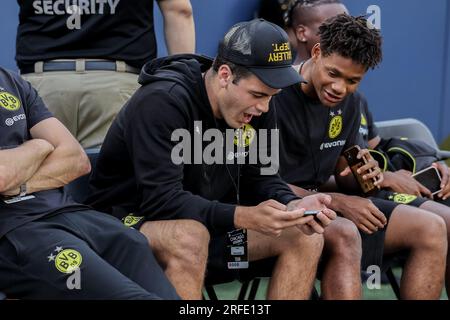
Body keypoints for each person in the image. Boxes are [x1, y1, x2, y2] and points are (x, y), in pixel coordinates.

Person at [87, 19, 337, 300]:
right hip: (128, 225)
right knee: (190, 236)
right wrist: (244, 216)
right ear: (225, 75)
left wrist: (293, 205)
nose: (264, 107)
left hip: (210, 227)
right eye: (257, 95)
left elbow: (262, 175)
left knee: (305, 236)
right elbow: (162, 201)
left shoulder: (259, 104)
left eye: (271, 96)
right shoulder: (162, 101)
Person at [272, 13, 448, 299]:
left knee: (432, 228)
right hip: (282, 210)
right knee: (345, 233)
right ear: (316, 52)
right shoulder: (273, 95)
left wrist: (367, 177)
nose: (340, 87)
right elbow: (258, 183)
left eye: (353, 80)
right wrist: (343, 201)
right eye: (333, 74)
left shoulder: (351, 103)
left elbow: (348, 179)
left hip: (328, 206)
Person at [0, 66, 179, 300]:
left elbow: (76, 159)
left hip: (69, 212)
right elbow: (3, 175)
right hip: (17, 231)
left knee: (134, 243)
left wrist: (21, 178)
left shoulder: (9, 79)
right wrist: (38, 146)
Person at [16, 0, 196, 148]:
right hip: (118, 87)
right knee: (116, 185)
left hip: (40, 86)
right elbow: (179, 10)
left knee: (36, 181)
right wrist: (182, 87)